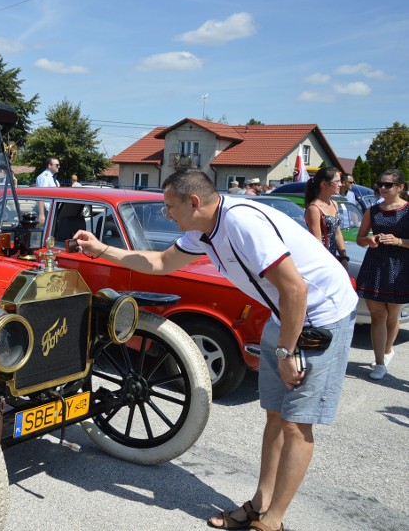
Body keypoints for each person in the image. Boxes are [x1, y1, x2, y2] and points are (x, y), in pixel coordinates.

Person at [74, 169, 357, 531]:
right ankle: (260, 504)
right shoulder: (203, 230)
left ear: (194, 202)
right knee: (275, 415)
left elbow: (297, 291)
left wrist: (287, 354)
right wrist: (101, 249)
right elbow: (160, 264)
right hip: (283, 313)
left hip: (320, 316)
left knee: (296, 424)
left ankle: (273, 520)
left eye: (169, 206)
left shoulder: (241, 224)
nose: (166, 214)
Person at [355, 169, 409, 381]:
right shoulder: (373, 210)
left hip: (399, 268)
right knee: (377, 316)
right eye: (380, 184)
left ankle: (387, 351)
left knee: (392, 317)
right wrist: (369, 240)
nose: (383, 188)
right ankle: (379, 363)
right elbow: (360, 238)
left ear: (400, 187)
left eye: (388, 185)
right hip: (374, 265)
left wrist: (398, 241)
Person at [304, 167, 349, 270]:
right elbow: (317, 241)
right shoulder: (314, 209)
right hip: (320, 261)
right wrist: (328, 264)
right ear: (324, 184)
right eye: (337, 181)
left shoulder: (334, 204)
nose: (341, 184)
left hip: (332, 259)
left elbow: (337, 233)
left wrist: (344, 257)